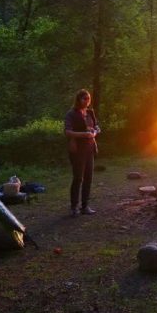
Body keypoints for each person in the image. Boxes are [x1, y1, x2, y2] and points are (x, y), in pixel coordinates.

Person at [64, 88, 100, 217]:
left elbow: (97, 127)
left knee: (88, 178)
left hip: (89, 149)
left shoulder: (90, 112)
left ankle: (85, 206)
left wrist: (94, 133)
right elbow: (67, 132)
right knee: (78, 178)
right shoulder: (71, 114)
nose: (87, 101)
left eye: (88, 98)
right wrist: (84, 134)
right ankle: (74, 207)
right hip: (77, 150)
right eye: (84, 98)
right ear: (78, 99)